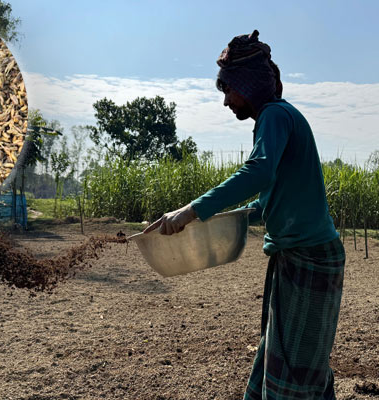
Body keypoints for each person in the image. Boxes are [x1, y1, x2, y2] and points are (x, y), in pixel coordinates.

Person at [143, 30, 345, 399]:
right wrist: (235, 217)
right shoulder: (278, 118)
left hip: (310, 258)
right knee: (294, 361)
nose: (225, 102)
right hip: (297, 257)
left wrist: (190, 212)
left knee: (299, 371)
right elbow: (275, 195)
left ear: (246, 86)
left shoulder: (274, 116)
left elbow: (258, 172)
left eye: (227, 90)